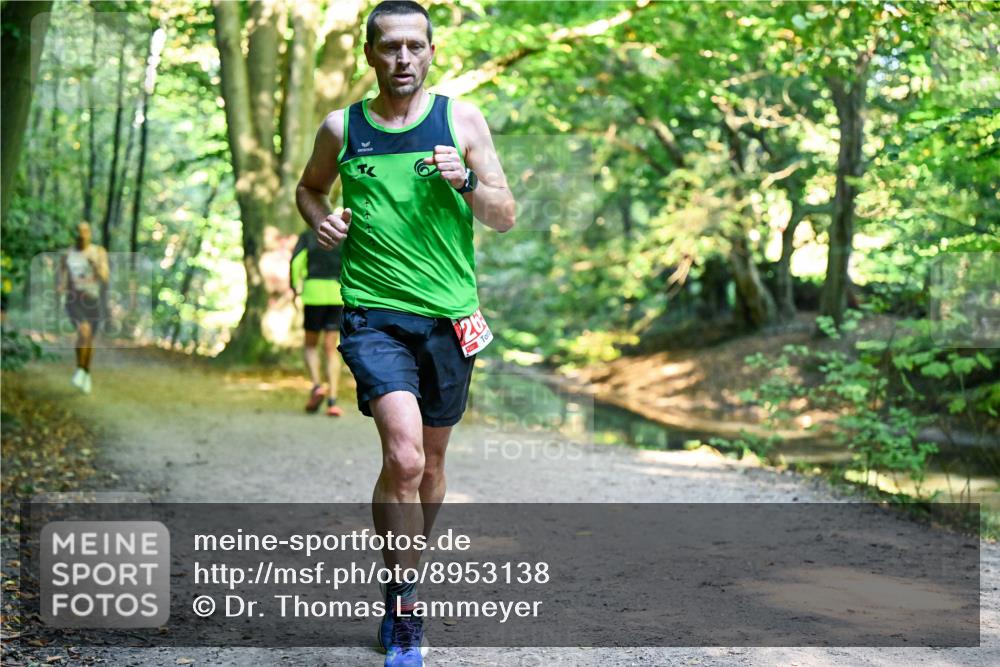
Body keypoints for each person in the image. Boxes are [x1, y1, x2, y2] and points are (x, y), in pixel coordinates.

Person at [296, 2, 515, 664]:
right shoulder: (344, 127)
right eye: (389, 47)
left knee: (434, 465)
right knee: (406, 457)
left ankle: (406, 569)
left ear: (431, 51)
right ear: (369, 54)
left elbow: (503, 215)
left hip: (449, 318)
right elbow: (309, 189)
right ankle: (405, 604)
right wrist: (320, 220)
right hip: (373, 315)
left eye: (414, 46)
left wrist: (468, 179)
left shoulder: (461, 119)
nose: (402, 59)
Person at [290, 227, 345, 416]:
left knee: (311, 345)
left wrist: (294, 288)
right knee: (331, 348)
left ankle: (317, 386)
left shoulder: (307, 236)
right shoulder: (341, 237)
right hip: (337, 294)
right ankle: (332, 400)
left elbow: (296, 262)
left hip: (314, 294)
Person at [57, 222, 109, 395]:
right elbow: (62, 277)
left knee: (89, 339)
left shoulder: (98, 252)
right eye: (79, 232)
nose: (82, 235)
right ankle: (80, 369)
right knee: (83, 332)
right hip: (74, 300)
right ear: (75, 234)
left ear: (90, 233)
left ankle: (85, 372)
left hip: (92, 300)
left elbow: (105, 278)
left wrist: (95, 265)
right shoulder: (67, 254)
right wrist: (60, 287)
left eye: (85, 231)